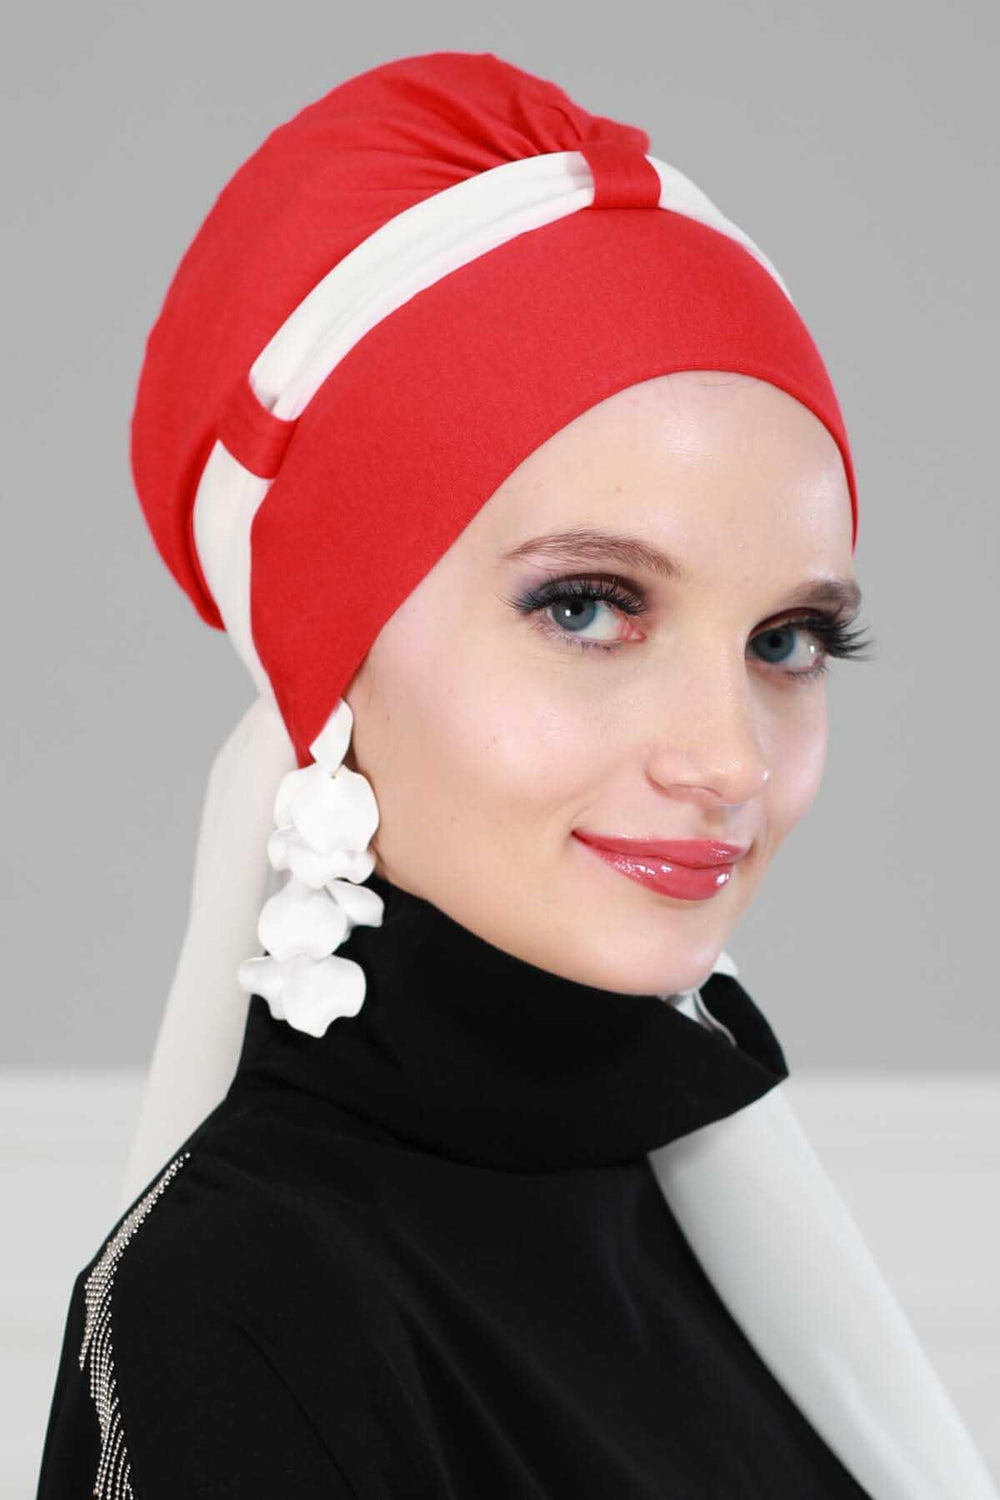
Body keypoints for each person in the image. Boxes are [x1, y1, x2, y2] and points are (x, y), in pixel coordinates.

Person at [35, 51, 997, 1500]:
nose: (728, 759)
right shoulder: (240, 1310)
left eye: (787, 640)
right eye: (588, 608)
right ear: (327, 663)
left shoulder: (682, 1201)